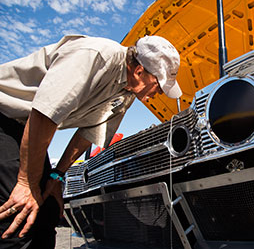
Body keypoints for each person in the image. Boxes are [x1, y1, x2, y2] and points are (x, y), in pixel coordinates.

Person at [0, 34, 182, 248]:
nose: (159, 93)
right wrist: (26, 183)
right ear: (139, 71)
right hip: (5, 115)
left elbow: (88, 134)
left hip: (26, 127)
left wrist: (56, 176)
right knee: (20, 211)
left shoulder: (126, 94)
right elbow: (43, 115)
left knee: (49, 209)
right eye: (158, 85)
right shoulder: (95, 57)